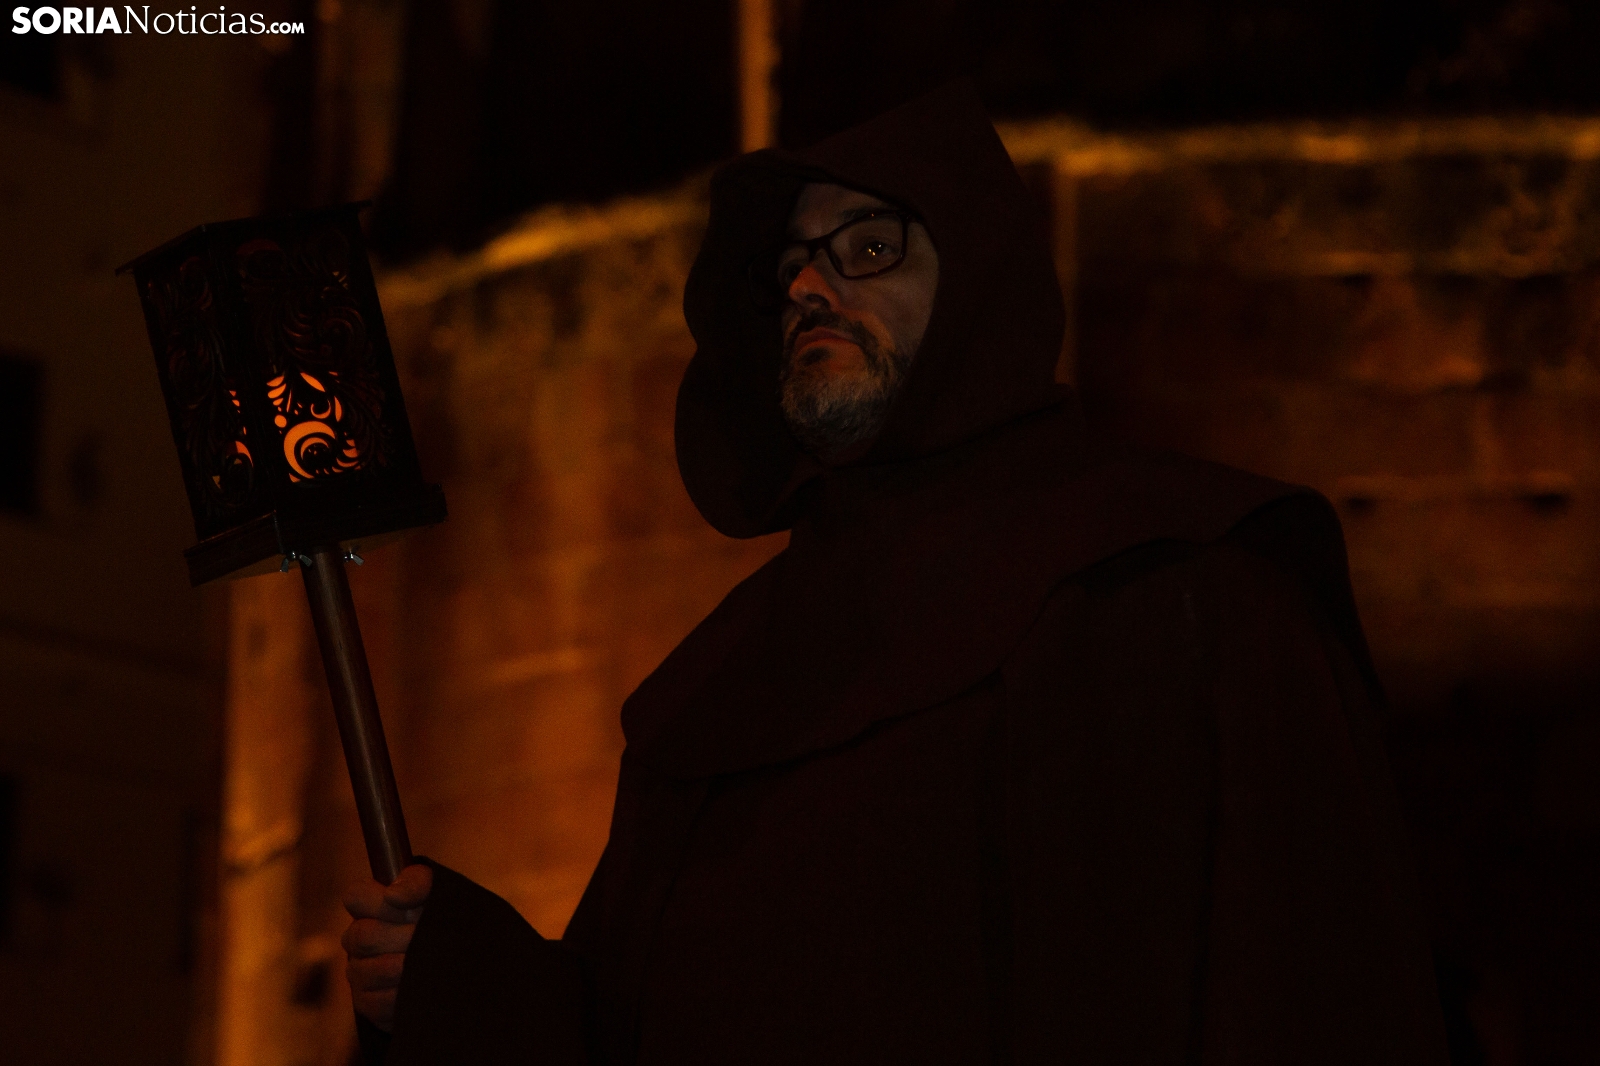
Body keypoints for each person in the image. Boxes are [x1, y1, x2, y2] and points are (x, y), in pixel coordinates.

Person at [343, 82, 1449, 1064]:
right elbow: (633, 1028)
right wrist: (461, 977)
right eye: (790, 267)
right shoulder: (723, 689)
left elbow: (1310, 990)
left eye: (867, 248)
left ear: (978, 280)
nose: (810, 288)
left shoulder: (1180, 583)